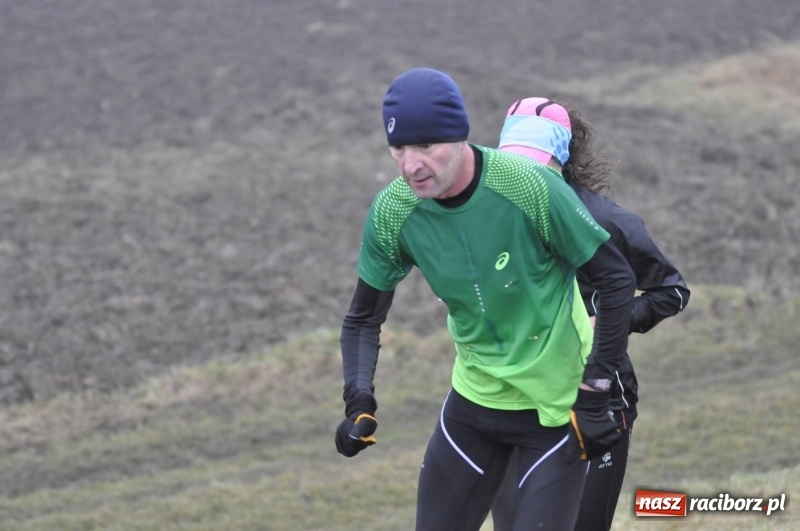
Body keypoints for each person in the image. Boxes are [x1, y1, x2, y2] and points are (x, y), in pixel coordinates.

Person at [333, 67, 637, 530]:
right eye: (399, 148)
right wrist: (359, 401)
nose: (411, 165)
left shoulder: (527, 187)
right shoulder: (394, 211)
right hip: (474, 406)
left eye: (426, 147)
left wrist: (595, 391)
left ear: (459, 137)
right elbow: (362, 320)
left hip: (555, 412)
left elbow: (616, 281)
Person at [489, 97, 691, 531]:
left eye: (534, 162)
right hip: (512, 397)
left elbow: (672, 291)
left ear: (559, 160)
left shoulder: (607, 220)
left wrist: (610, 320)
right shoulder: (490, 217)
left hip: (598, 396)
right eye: (511, 162)